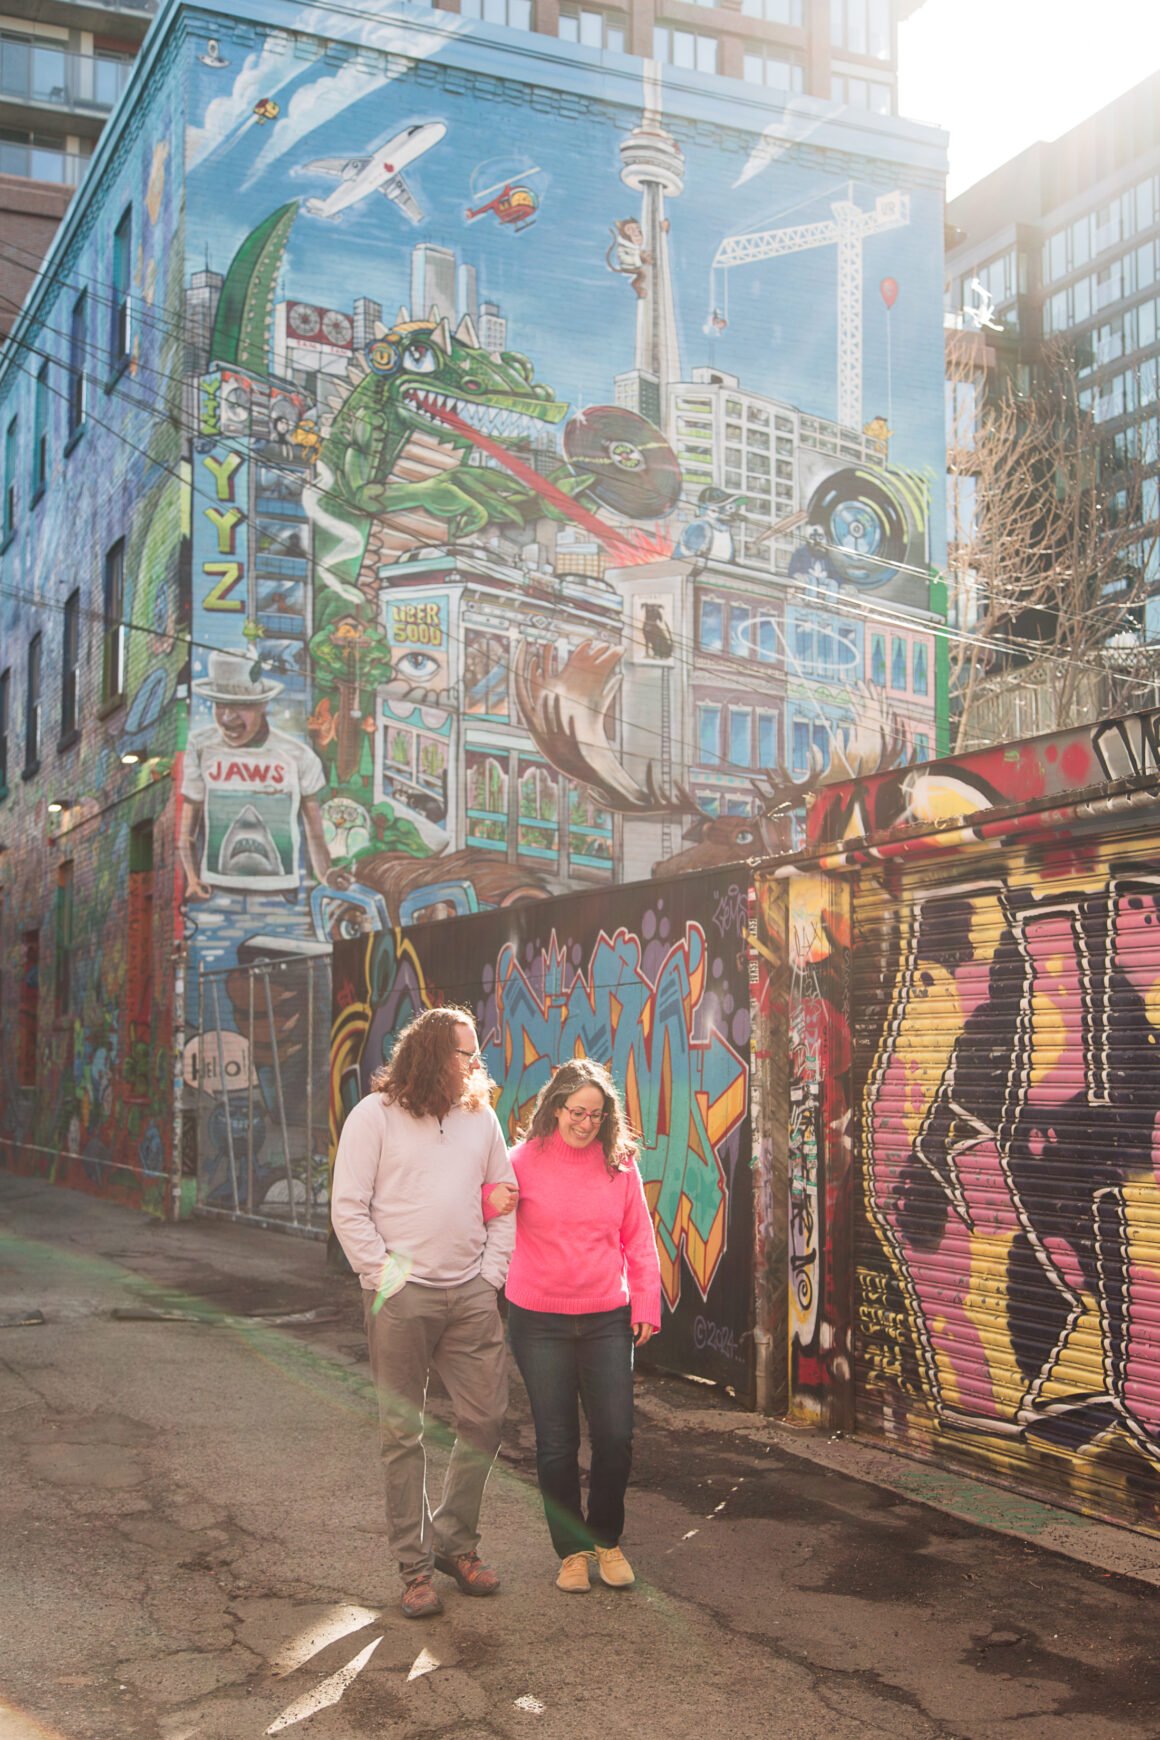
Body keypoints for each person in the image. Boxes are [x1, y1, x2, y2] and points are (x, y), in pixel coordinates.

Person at [331, 1006, 517, 1619]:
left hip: (470, 1293)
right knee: (401, 1432)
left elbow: (504, 1198)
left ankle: (454, 1544)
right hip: (401, 1297)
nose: (475, 1063)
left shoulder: (480, 1117)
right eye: (466, 1053)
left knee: (485, 1419)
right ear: (434, 1054)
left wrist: (490, 1277)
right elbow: (348, 1206)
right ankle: (414, 1569)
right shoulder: (374, 1116)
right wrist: (384, 1275)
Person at [497, 1058, 662, 1594]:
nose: (586, 1123)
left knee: (615, 1435)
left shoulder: (620, 1164)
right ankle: (571, 1552)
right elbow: (485, 1210)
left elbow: (638, 1239)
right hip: (538, 1321)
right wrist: (488, 1200)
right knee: (556, 1441)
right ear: (555, 1107)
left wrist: (646, 1304)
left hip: (605, 1318)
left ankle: (606, 1539)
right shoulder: (519, 1161)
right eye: (577, 1112)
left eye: (596, 1114)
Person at [178, 651, 343, 902]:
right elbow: (187, 831)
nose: (227, 717)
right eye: (220, 704)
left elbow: (315, 833)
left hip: (283, 894)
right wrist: (191, 879)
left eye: (241, 705)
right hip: (217, 891)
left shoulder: (298, 756)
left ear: (262, 704)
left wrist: (326, 874)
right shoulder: (200, 747)